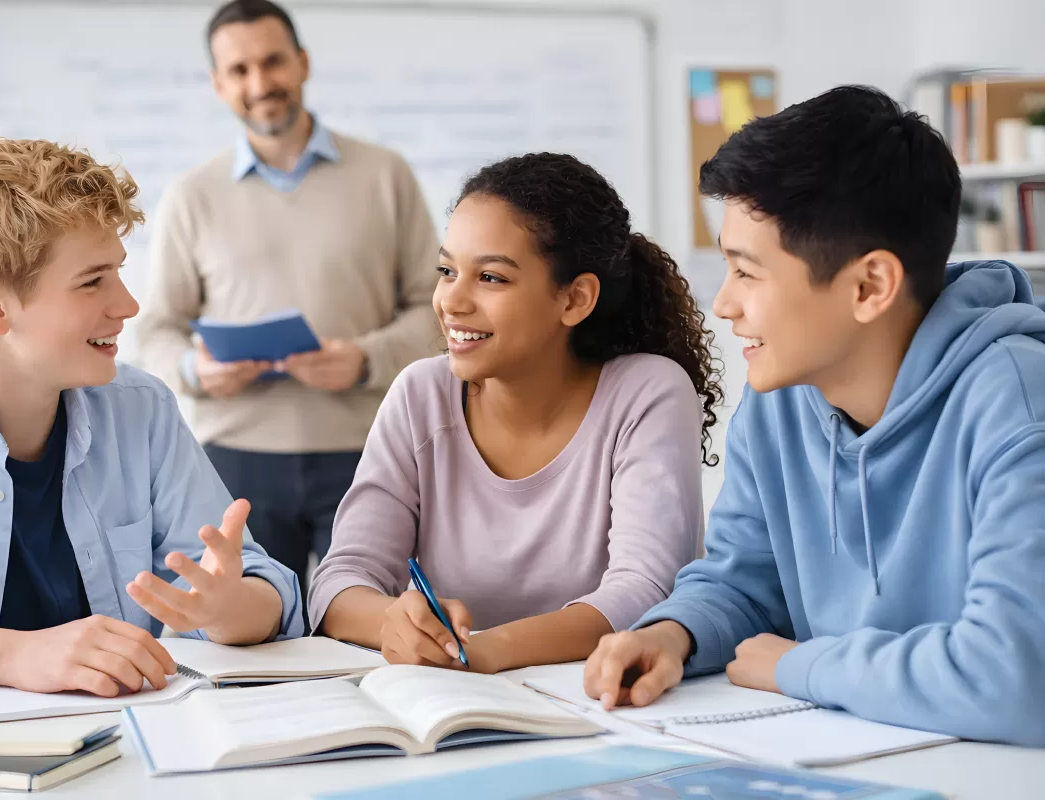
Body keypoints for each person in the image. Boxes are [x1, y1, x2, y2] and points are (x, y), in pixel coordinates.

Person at [584, 86, 1045, 746]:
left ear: (869, 286)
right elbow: (744, 581)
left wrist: (802, 666)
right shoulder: (779, 398)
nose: (723, 305)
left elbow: (1018, 675)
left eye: (747, 273)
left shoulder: (1018, 404)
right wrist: (672, 634)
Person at [0, 138, 302, 695]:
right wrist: (13, 656)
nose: (129, 305)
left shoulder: (141, 409)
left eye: (119, 272)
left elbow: (257, 587)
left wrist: (231, 610)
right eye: (92, 281)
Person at [309, 152, 721, 674]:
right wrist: (396, 621)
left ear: (575, 299)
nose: (450, 302)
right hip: (455, 705)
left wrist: (484, 652)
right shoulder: (420, 394)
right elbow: (339, 581)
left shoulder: (647, 392)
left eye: (491, 278)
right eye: (447, 271)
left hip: (602, 706)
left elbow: (646, 592)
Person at [136, 0, 440, 602]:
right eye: (240, 71)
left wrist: (365, 359)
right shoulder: (191, 195)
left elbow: (436, 309)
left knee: (373, 632)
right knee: (250, 640)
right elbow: (155, 330)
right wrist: (196, 370)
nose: (260, 84)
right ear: (219, 85)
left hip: (369, 450)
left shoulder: (386, 175)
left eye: (273, 62)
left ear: (302, 64)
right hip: (233, 463)